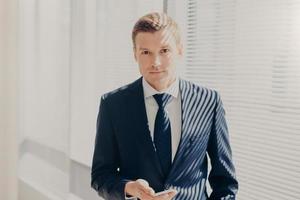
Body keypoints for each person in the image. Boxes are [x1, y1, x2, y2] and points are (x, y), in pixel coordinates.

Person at [91, 12, 238, 200]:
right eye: (146, 52)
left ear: (179, 50)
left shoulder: (209, 101)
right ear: (135, 54)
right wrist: (129, 188)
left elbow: (225, 183)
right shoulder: (113, 105)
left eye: (164, 51)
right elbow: (101, 176)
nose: (156, 62)